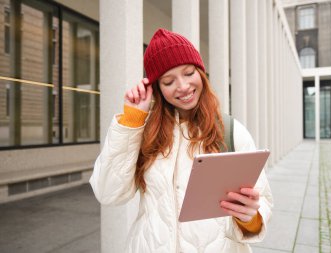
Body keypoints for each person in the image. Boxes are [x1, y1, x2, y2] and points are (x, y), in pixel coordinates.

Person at [90, 28, 273, 253]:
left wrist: (250, 218)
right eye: (168, 81)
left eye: (188, 73)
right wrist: (132, 120)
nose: (183, 86)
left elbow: (261, 199)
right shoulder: (143, 131)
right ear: (157, 88)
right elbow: (108, 193)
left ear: (201, 73)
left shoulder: (231, 131)